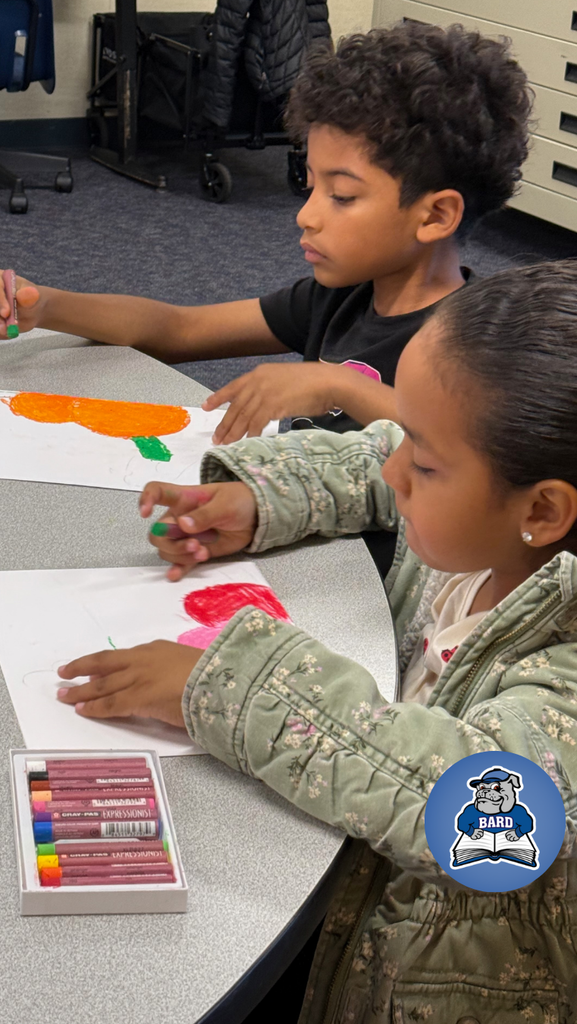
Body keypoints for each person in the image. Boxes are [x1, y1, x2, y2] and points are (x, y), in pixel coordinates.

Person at [55, 262, 577, 1020]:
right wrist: (256, 499)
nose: (397, 469)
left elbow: (492, 821)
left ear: (543, 509)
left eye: (425, 465)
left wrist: (234, 686)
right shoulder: (489, 531)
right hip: (346, 892)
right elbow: (375, 457)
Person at [0, 22, 530, 445]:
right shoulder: (337, 299)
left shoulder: (476, 343)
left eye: (341, 196)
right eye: (310, 186)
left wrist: (341, 386)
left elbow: (463, 449)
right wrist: (45, 306)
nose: (306, 215)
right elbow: (180, 329)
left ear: (435, 216)